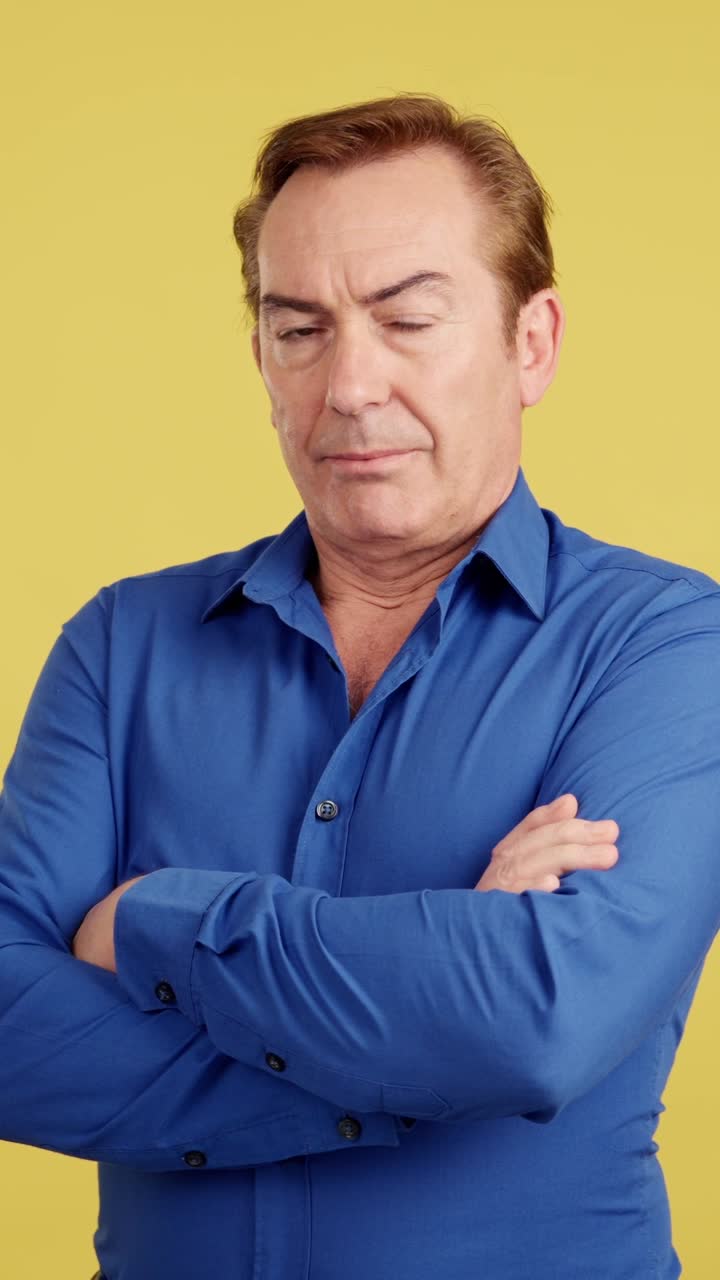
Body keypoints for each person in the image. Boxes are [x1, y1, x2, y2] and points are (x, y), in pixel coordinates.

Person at [1, 93, 718, 1280]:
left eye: (407, 319)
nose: (348, 384)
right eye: (300, 330)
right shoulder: (123, 643)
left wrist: (152, 921)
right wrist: (419, 1056)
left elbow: (535, 1020)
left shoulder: (660, 643)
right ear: (262, 361)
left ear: (529, 341)